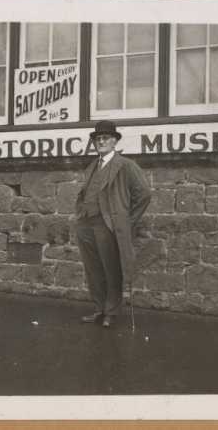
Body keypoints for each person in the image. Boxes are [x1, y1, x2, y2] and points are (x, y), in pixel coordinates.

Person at [74, 120, 152, 328]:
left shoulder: (125, 166)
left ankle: (111, 312)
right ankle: (99, 308)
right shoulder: (93, 166)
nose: (101, 142)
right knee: (94, 269)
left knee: (111, 269)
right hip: (86, 224)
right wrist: (80, 213)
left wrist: (126, 220)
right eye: (97, 139)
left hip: (108, 226)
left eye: (106, 138)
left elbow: (144, 194)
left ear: (114, 141)